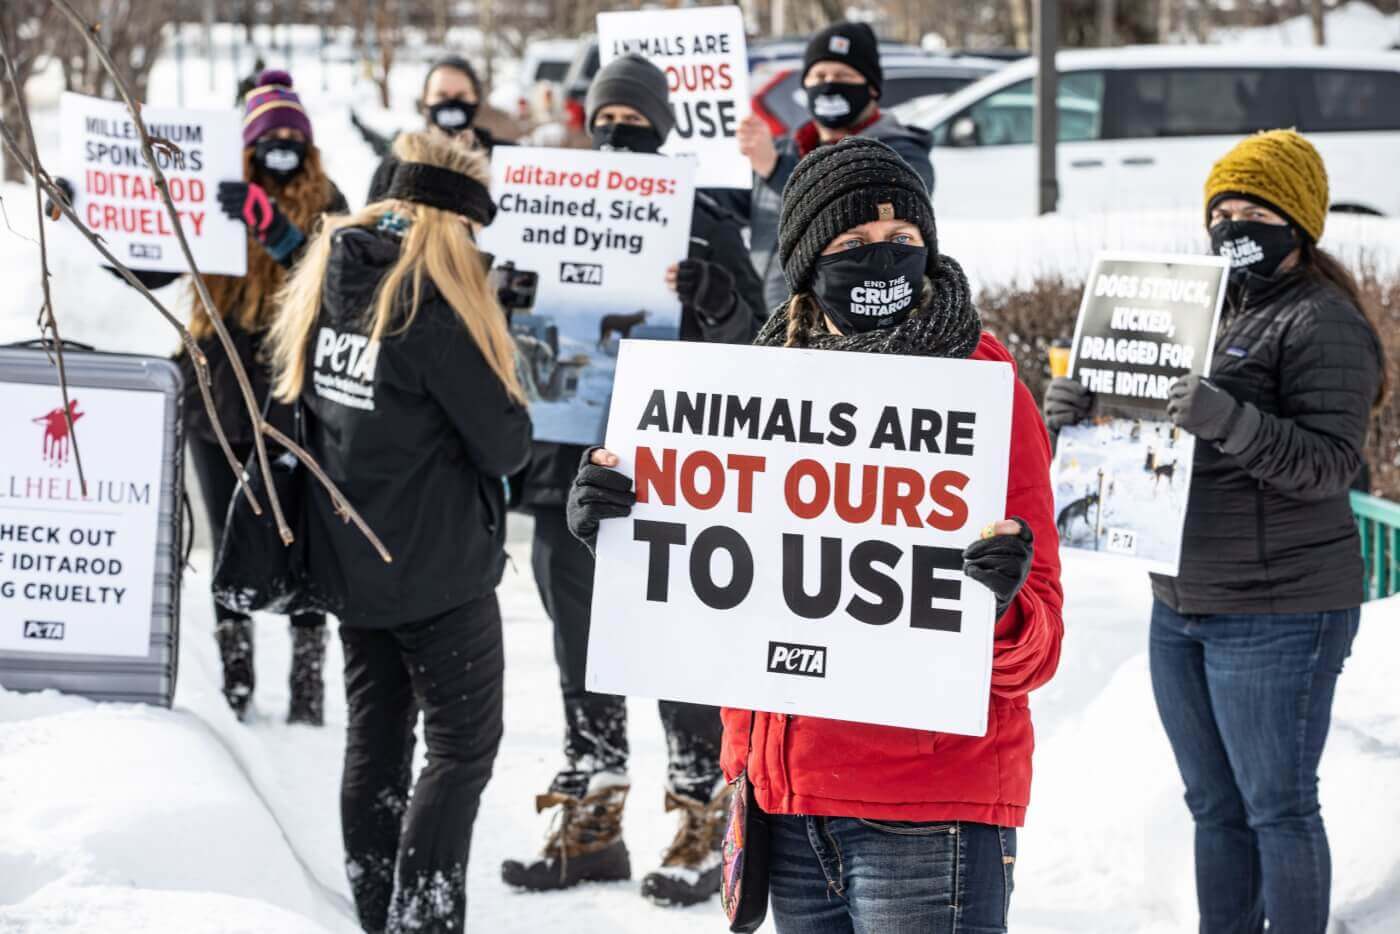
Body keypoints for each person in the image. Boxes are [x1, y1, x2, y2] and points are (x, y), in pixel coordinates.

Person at [566, 138, 1065, 932]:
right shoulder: (754, 388)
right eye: (855, 244)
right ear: (807, 260)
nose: (884, 259)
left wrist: (1001, 605)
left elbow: (1039, 648)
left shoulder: (985, 393)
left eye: (904, 242)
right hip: (784, 809)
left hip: (925, 818)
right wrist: (623, 531)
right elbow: (716, 591)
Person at [1042, 129, 1387, 934]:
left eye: (1254, 207)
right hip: (1182, 597)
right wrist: (1082, 415)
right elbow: (1152, 436)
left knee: (1278, 810)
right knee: (1213, 807)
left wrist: (1226, 418)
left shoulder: (1323, 322)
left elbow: (1330, 465)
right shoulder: (1200, 306)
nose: (1233, 222)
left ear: (1297, 222)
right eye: (1221, 208)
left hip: (1280, 609)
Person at [501, 54, 766, 906]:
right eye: (607, 117)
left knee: (680, 648)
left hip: (671, 476)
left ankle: (702, 808)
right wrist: (502, 292)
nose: (619, 130)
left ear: (661, 127)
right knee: (580, 649)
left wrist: (717, 298)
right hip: (562, 471)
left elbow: (762, 342)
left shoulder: (700, 218)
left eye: (635, 119)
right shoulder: (542, 205)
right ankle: (592, 811)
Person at [266, 131, 531, 934]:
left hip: (358, 565)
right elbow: (507, 444)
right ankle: (424, 921)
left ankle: (378, 914)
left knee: (376, 747)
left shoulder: (336, 277)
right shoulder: (434, 311)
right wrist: (501, 338)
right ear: (454, 227)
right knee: (459, 754)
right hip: (441, 575)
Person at [47, 68, 348, 724]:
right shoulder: (213, 200)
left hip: (298, 402)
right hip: (216, 400)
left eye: (294, 134)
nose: (283, 145)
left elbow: (339, 287)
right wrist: (84, 213)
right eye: (271, 134)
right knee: (229, 539)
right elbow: (146, 264)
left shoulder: (330, 202)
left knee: (303, 540)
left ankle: (308, 688)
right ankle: (237, 686)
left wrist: (280, 234)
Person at [728, 21, 934, 311]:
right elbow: (736, 205)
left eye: (843, 75)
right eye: (819, 74)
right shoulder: (787, 148)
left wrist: (777, 171)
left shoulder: (902, 153)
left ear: (872, 88)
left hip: (846, 321)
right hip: (770, 317)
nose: (829, 83)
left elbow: (861, 203)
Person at [366, 55, 503, 203]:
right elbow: (371, 217)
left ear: (476, 98)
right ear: (426, 100)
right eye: (441, 95)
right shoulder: (399, 162)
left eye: (461, 96)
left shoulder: (504, 158)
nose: (451, 103)